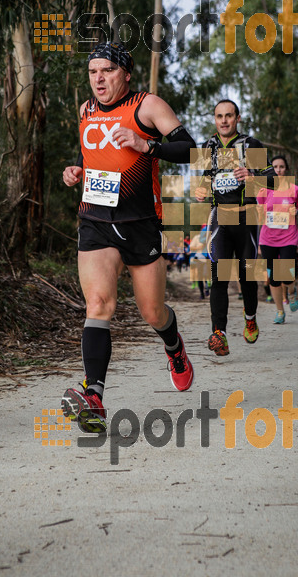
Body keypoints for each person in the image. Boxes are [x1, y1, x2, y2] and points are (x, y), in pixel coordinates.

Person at [61, 41, 195, 433]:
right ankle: (95, 397)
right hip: (96, 219)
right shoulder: (85, 111)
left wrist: (146, 144)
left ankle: (174, 346)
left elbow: (190, 150)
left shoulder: (147, 106)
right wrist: (77, 172)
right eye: (92, 72)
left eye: (107, 71)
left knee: (152, 312)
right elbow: (93, 157)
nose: (99, 79)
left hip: (140, 223)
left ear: (126, 74)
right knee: (99, 303)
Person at [196, 99, 275, 356]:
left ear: (237, 118)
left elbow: (274, 179)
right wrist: (200, 190)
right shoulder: (208, 147)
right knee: (218, 278)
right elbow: (204, 181)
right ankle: (219, 333)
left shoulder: (251, 145)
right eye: (219, 116)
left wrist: (252, 177)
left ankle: (250, 317)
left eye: (229, 115)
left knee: (246, 277)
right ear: (215, 119)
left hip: (247, 219)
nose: (224, 121)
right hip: (221, 218)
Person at [257, 155, 298, 323]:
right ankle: (279, 311)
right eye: (275, 167)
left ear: (286, 169)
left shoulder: (295, 189)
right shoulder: (263, 191)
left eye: (281, 167)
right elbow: (259, 215)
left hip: (288, 237)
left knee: (287, 273)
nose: (278, 170)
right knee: (274, 277)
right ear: (271, 169)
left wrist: (295, 212)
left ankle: (291, 292)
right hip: (268, 238)